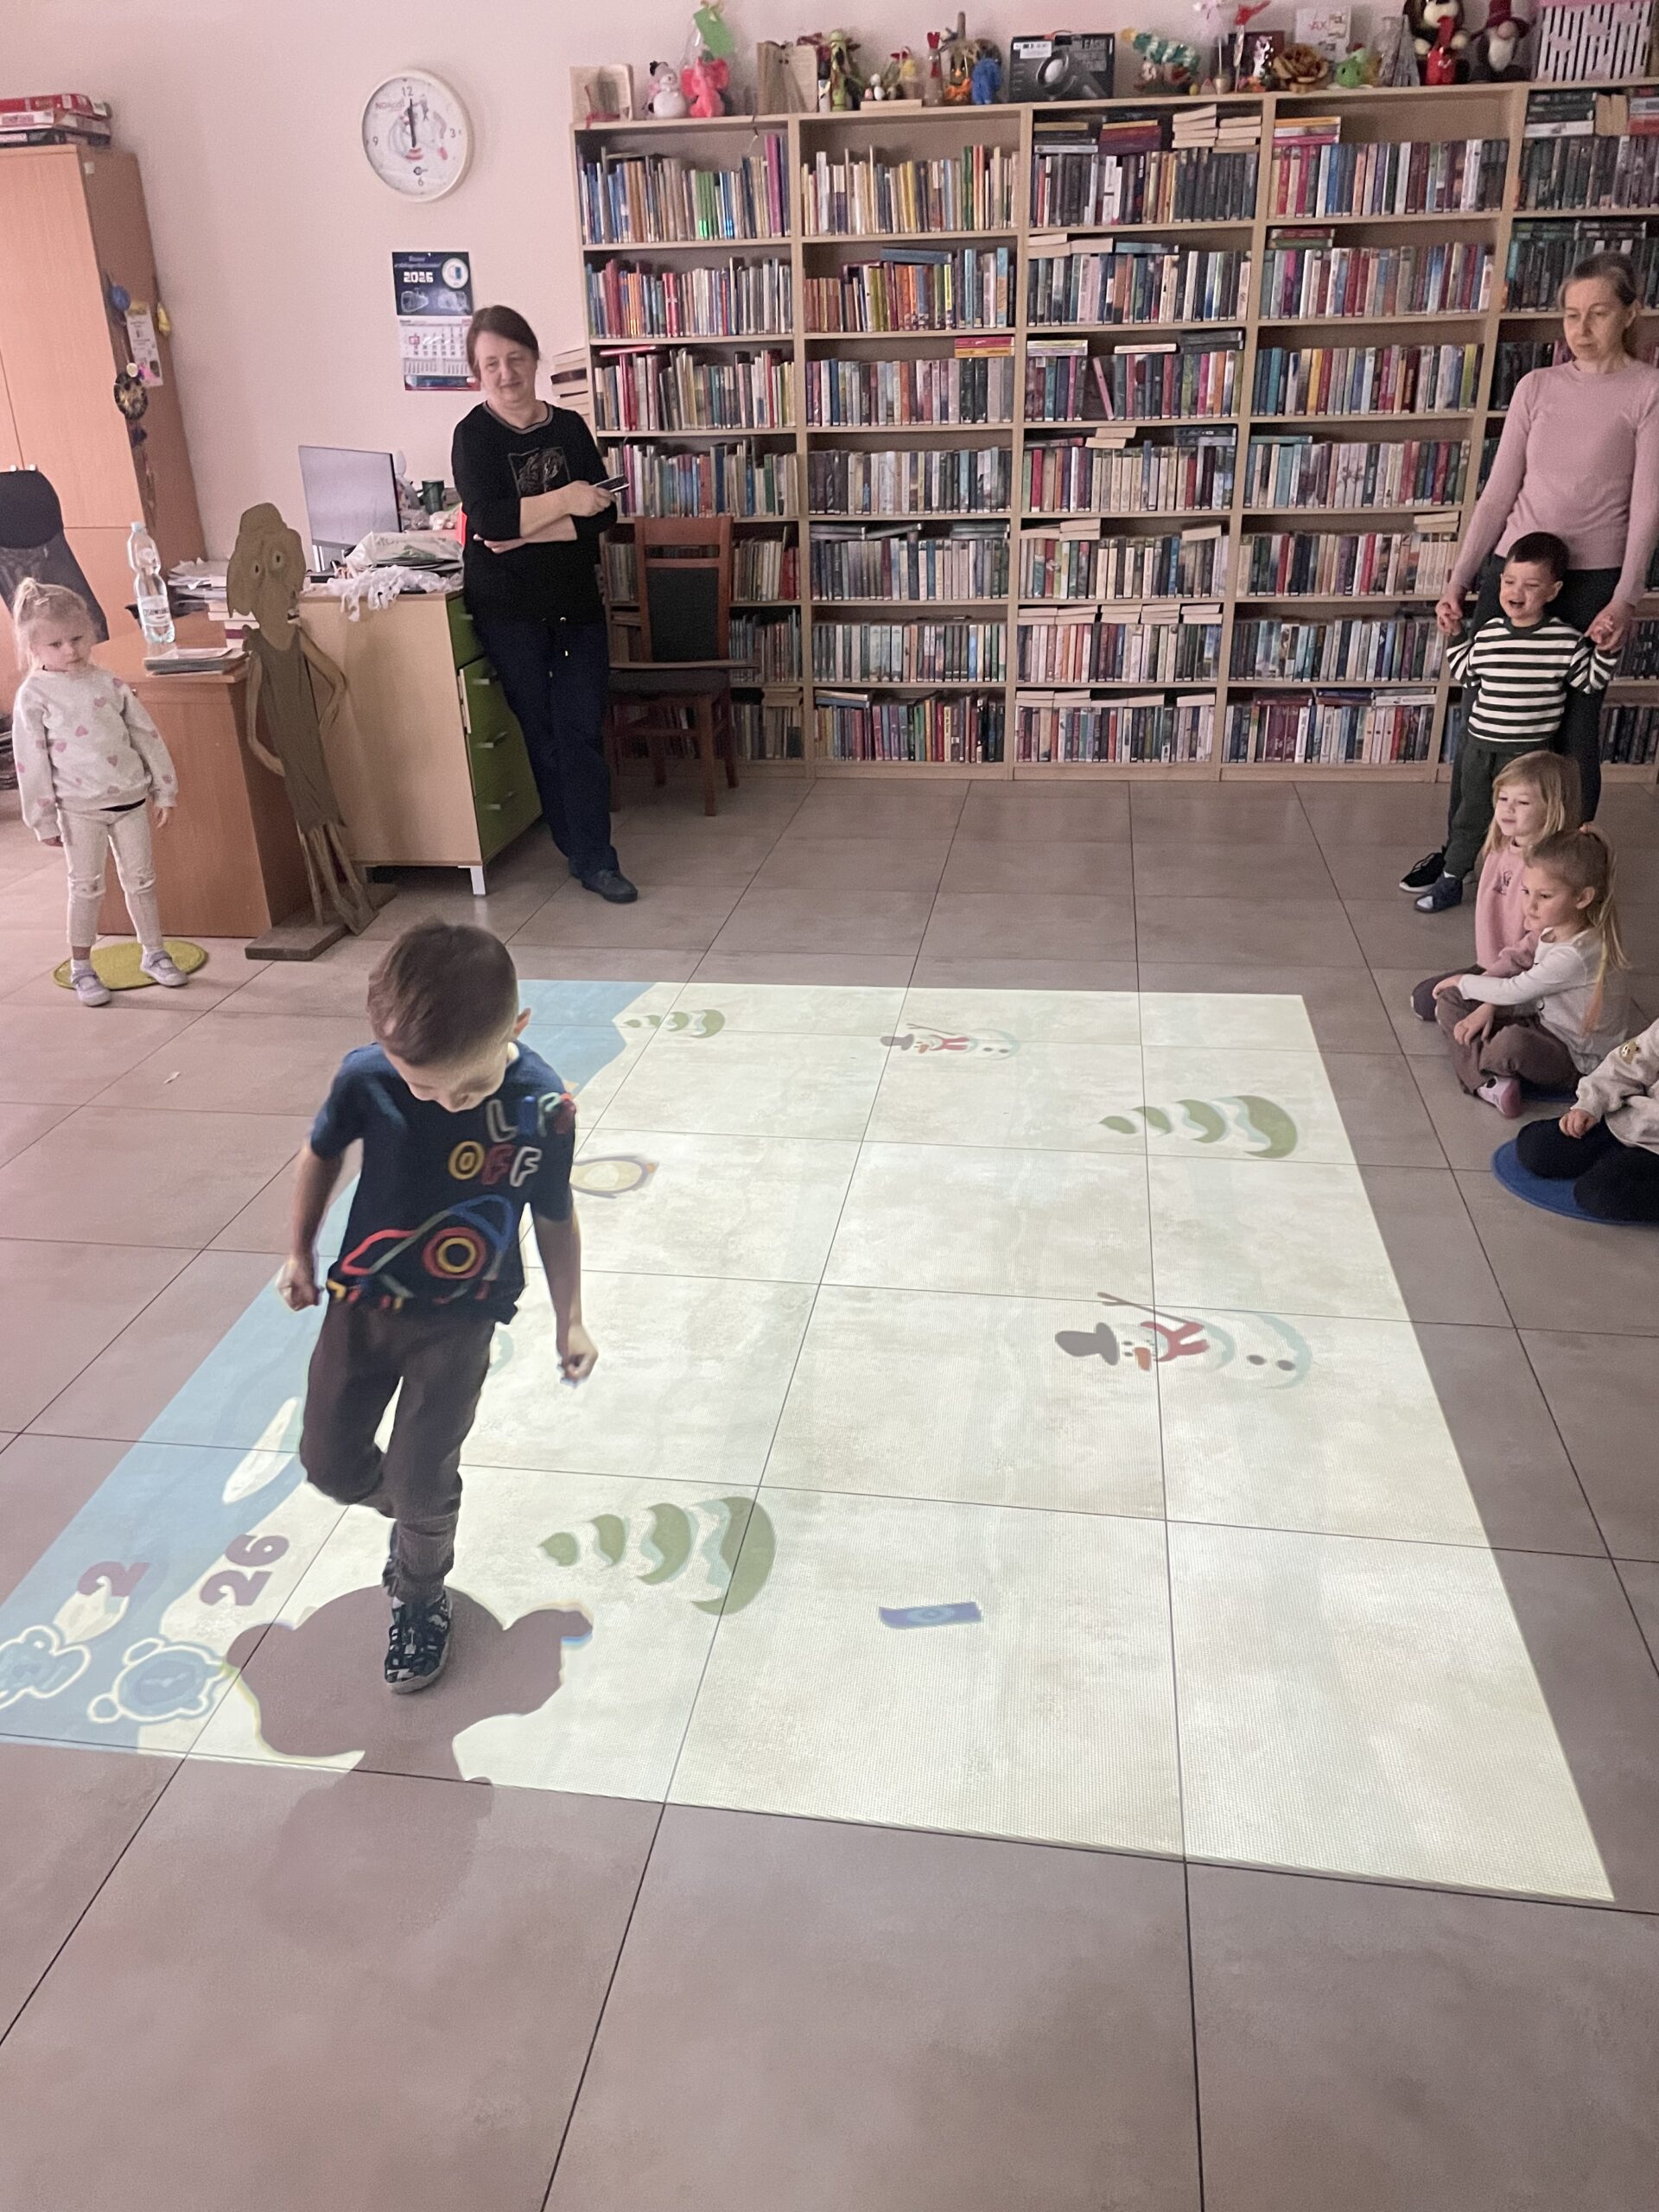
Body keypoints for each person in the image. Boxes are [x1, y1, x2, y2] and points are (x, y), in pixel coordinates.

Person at [277, 921, 598, 1692]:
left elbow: (554, 1215)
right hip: (362, 1303)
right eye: (423, 1087)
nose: (448, 1102)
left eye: (471, 1086)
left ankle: (419, 1592)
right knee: (328, 1464)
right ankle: (421, 1510)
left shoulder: (544, 1105)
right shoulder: (366, 1078)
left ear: (518, 1027)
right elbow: (321, 1153)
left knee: (424, 1477)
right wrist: (298, 1250)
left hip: (463, 1316)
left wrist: (571, 1316)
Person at [1402, 251, 1659, 893]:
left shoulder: (1647, 390)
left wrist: (1625, 598)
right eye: (1571, 314)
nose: (1582, 328)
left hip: (1593, 582)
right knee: (1485, 717)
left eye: (1598, 313)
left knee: (1573, 724)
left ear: (1630, 313)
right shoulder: (1537, 388)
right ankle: (1465, 854)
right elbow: (1498, 493)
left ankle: (1562, 871)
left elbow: (1649, 506)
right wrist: (1460, 578)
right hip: (1514, 572)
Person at [450, 304, 637, 904]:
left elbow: (604, 514)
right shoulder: (473, 437)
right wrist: (566, 500)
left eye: (515, 358)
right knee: (544, 734)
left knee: (581, 729)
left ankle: (597, 859)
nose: (505, 373)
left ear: (534, 360)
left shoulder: (570, 429)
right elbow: (488, 521)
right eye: (491, 364)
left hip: (576, 606)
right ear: (477, 372)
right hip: (510, 614)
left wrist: (526, 530)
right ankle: (576, 846)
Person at [9, 578, 187, 1007]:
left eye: (77, 639)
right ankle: (82, 966)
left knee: (142, 880)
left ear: (90, 631)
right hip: (79, 810)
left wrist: (165, 789)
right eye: (56, 644)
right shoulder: (33, 695)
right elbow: (31, 762)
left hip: (130, 801)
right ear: (33, 647)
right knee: (85, 886)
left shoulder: (109, 683)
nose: (70, 650)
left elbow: (146, 735)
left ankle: (154, 952)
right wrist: (42, 819)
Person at [1414, 533, 1614, 913]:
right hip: (1480, 747)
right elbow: (1466, 673)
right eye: (1509, 582)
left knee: (1527, 823)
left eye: (1531, 585)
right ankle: (1453, 877)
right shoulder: (1489, 633)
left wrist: (1606, 649)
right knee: (1471, 814)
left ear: (1553, 591)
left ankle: (1525, 886)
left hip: (1529, 755)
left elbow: (1589, 682)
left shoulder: (1563, 640)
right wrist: (1455, 635)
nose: (1516, 592)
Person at [1430, 825, 1631, 1117]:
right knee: (1450, 999)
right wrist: (1485, 1005)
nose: (1530, 905)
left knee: (1510, 1043)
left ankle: (1481, 1076)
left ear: (1582, 898)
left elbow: (1515, 990)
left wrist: (1464, 981)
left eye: (1545, 896)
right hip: (1540, 1019)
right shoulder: (1556, 926)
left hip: (1573, 1058)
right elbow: (1519, 987)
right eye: (1526, 891)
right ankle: (1489, 1074)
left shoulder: (1576, 953)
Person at [1409, 747, 1580, 1022]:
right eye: (1503, 798)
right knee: (1423, 999)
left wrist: (1490, 984)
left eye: (1522, 802)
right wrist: (1486, 975)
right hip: (1495, 967)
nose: (1508, 809)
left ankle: (1514, 1025)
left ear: (1552, 808)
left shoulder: (1548, 868)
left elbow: (1538, 942)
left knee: (1448, 1008)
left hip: (1528, 976)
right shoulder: (1500, 847)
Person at [1516, 1014, 1659, 1222]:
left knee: (1598, 1193)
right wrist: (1589, 1106)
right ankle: (1611, 1161)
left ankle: (1618, 1168)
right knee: (1536, 1147)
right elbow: (1624, 1064)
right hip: (1626, 1120)